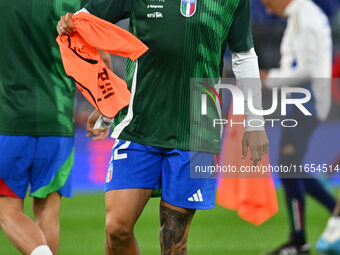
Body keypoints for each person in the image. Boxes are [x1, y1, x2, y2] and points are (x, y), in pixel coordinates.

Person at [58, 0, 269, 254]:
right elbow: (82, 25)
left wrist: (255, 121)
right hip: (138, 125)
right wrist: (107, 96)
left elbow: (244, 56)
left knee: (173, 240)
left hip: (195, 130)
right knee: (117, 228)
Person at [0, 1, 111, 254]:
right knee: (48, 211)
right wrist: (104, 109)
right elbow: (101, 55)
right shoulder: (72, 3)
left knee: (7, 210)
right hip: (58, 123)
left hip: (11, 121)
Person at [260, 0, 336, 254]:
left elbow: (306, 68)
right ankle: (330, 215)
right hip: (304, 101)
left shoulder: (304, 16)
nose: (269, 10)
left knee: (289, 168)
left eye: (268, 3)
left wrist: (268, 79)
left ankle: (299, 240)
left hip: (307, 102)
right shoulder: (303, 14)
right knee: (292, 168)